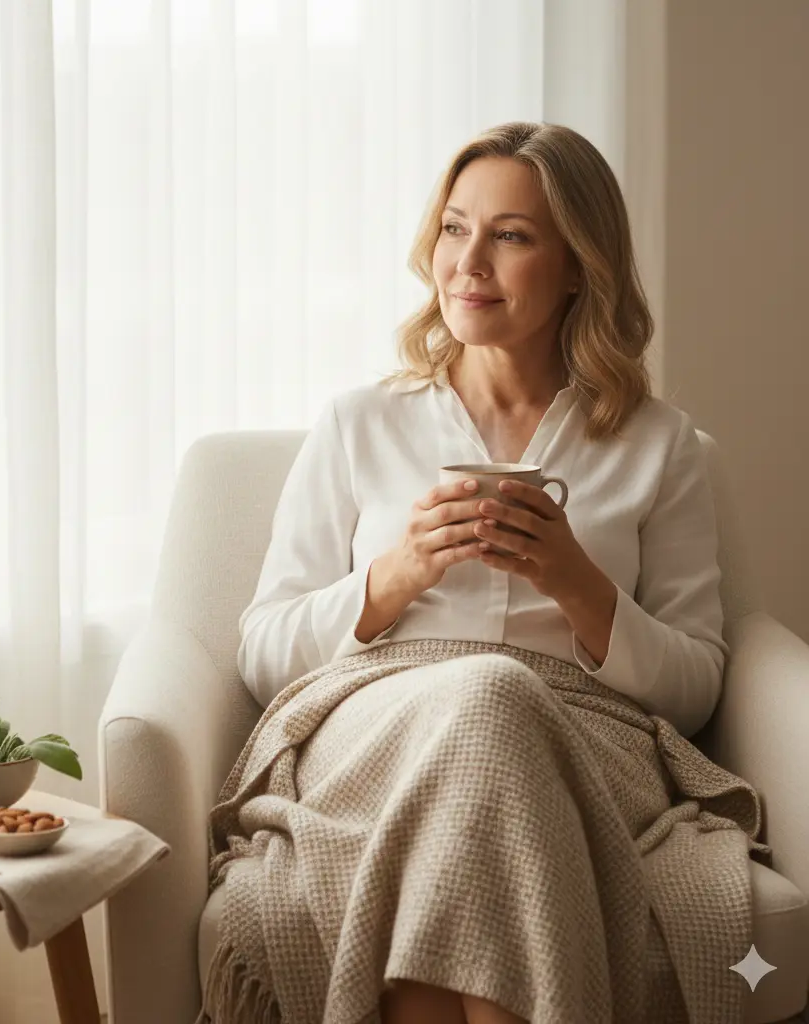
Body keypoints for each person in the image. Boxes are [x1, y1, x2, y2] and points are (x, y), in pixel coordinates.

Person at [205, 122, 757, 1024]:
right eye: (456, 229)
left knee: (493, 705)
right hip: (377, 726)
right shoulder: (360, 423)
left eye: (511, 236)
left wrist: (576, 580)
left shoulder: (659, 445)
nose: (469, 263)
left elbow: (693, 691)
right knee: (483, 700)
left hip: (586, 738)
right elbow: (265, 655)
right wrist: (395, 576)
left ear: (580, 265)